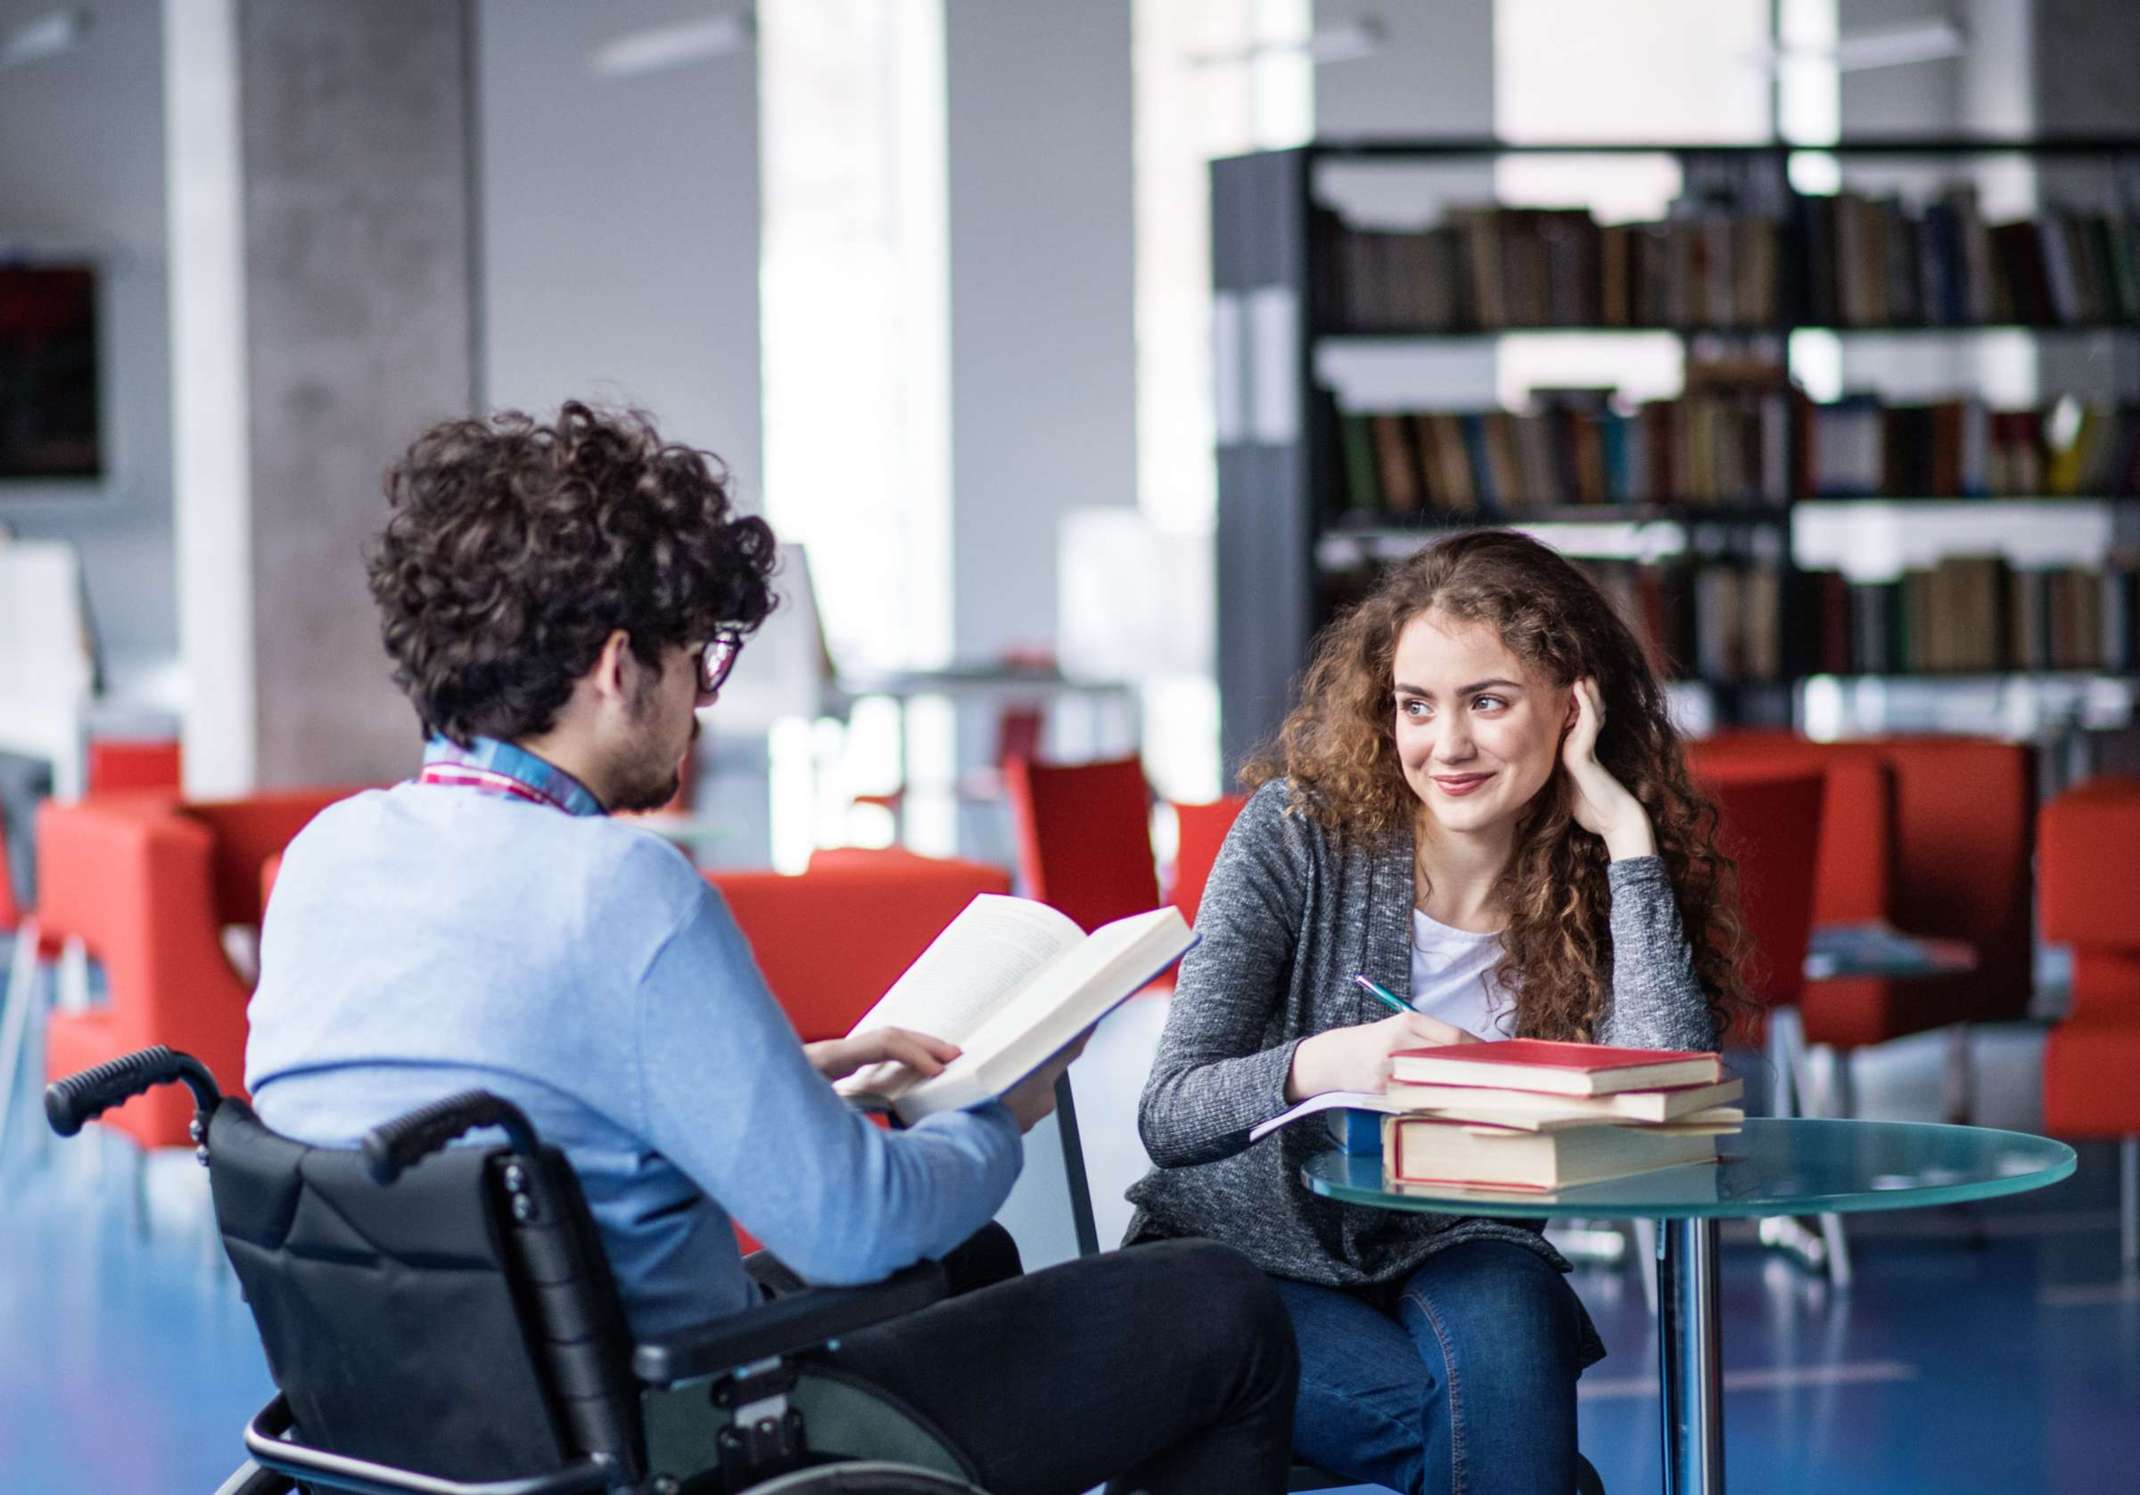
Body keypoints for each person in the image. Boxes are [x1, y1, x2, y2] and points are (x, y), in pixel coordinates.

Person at [247, 402, 1297, 1495]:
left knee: (972, 1262)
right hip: (680, 1441)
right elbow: (856, 1227)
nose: (702, 702)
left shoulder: (331, 855)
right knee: (1219, 1306)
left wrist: (778, 1083)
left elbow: (503, 1103)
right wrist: (999, 1114)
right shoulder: (620, 889)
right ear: (617, 667)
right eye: (699, 657)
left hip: (425, 1434)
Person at [1126, 528, 1749, 1495]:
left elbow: (1668, 1104)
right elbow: (1169, 1114)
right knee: (1509, 1450)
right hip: (1244, 1262)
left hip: (1468, 1240)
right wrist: (1330, 1062)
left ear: (1572, 703)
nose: (1446, 745)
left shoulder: (1590, 878)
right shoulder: (1296, 838)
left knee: (1515, 1338)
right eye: (1417, 706)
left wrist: (1626, 839)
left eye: (1488, 702)